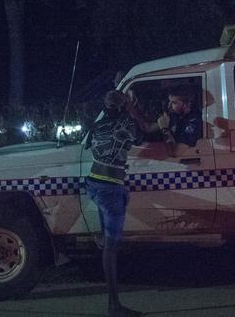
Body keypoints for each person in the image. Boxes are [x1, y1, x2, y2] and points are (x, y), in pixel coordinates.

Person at [85, 90, 143, 317]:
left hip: (94, 183)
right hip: (110, 187)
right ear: (123, 106)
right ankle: (114, 305)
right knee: (112, 246)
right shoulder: (126, 123)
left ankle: (103, 240)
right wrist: (132, 108)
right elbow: (143, 134)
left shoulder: (96, 126)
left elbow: (91, 145)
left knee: (107, 240)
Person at [155, 86, 203, 156]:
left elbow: (175, 153)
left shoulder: (193, 122)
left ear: (186, 104)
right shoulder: (177, 115)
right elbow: (148, 128)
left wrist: (164, 129)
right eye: (169, 102)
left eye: (174, 103)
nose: (169, 106)